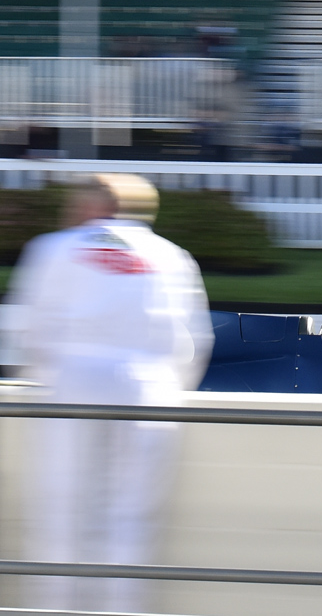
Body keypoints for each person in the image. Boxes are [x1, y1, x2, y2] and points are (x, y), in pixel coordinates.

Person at [7, 174, 214, 613]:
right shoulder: (173, 257)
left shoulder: (55, 248)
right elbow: (193, 342)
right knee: (131, 514)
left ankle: (55, 606)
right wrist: (169, 387)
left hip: (73, 380)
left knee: (62, 506)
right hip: (150, 386)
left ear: (90, 205)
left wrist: (48, 379)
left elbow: (32, 330)